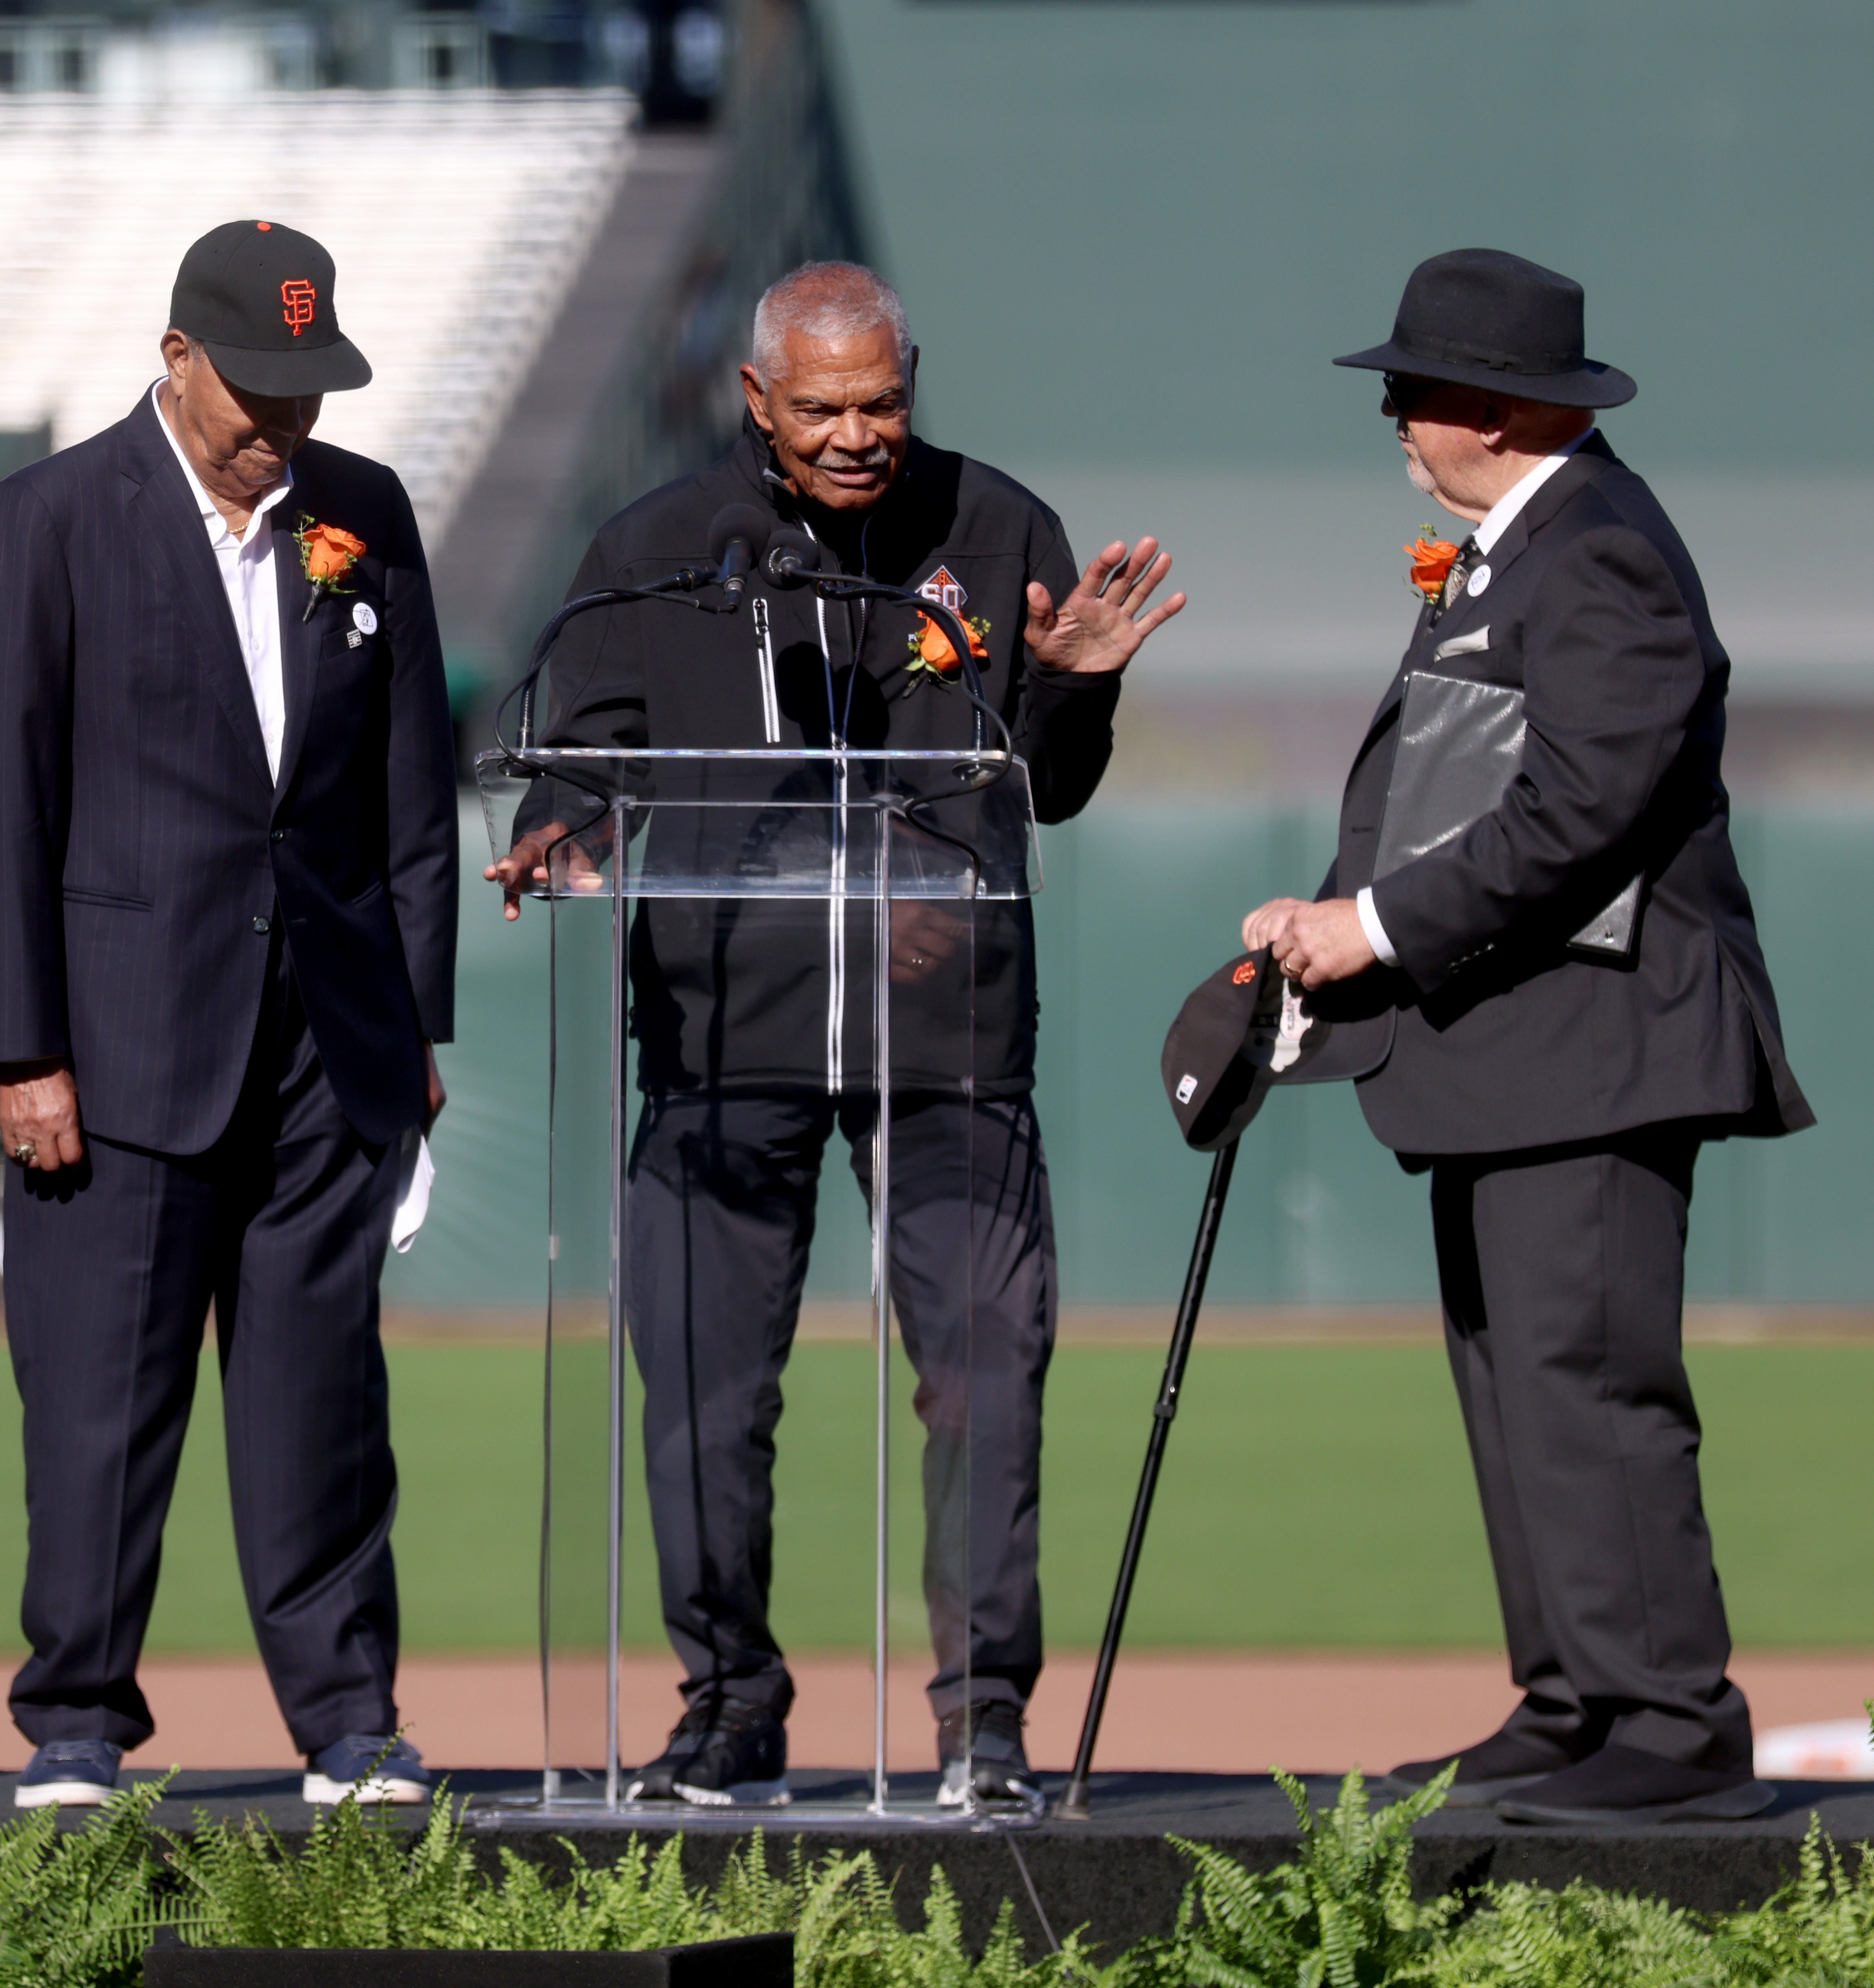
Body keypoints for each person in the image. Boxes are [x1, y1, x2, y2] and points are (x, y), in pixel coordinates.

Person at [485, 262, 1183, 1804]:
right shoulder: (654, 553)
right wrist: (560, 824)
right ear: (756, 400)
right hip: (721, 1035)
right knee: (704, 1385)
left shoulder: (998, 531)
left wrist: (1069, 692)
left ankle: (981, 1721)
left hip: (948, 1044)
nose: (859, 434)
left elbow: (1044, 783)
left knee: (985, 1369)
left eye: (883, 401)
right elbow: (587, 752)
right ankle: (728, 1699)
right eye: (822, 409)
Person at [1245, 248, 1810, 1825]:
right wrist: (1324, 914)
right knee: (1513, 1381)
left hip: (1599, 1041)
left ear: (1491, 410)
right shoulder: (1512, 551)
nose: (1395, 420)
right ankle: (1571, 1696)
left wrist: (1376, 927)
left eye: (1410, 391)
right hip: (1507, 1041)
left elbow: (1580, 807)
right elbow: (1462, 791)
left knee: (1584, 1375)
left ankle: (1666, 1720)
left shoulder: (1596, 553)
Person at [0, 220, 456, 1810]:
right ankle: (78, 1720)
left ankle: (348, 1720)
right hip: (114, 1052)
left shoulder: (361, 515)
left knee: (321, 1404)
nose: (280, 422)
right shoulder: (48, 521)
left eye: (307, 391)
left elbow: (406, 790)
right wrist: (23, 1048)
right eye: (254, 389)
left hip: (326, 1050)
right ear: (174, 358)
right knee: (101, 1406)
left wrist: (413, 1034)